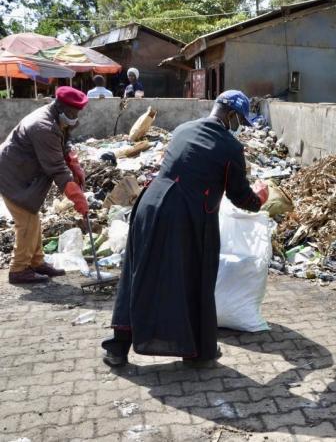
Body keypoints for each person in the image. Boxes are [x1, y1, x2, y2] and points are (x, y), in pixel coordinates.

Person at [101, 90, 269, 368]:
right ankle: (199, 352)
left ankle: (118, 348)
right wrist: (260, 198)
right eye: (240, 120)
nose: (240, 126)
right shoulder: (230, 147)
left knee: (139, 272)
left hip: (149, 205)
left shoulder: (183, 129)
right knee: (194, 279)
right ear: (230, 115)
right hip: (187, 216)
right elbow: (240, 197)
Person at [0, 86, 90, 283]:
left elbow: (64, 140)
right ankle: (19, 269)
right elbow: (57, 170)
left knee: (33, 219)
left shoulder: (56, 118)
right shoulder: (44, 127)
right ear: (60, 107)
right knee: (26, 223)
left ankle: (36, 261)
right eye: (73, 113)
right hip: (12, 175)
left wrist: (73, 162)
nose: (75, 117)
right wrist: (77, 198)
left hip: (23, 172)